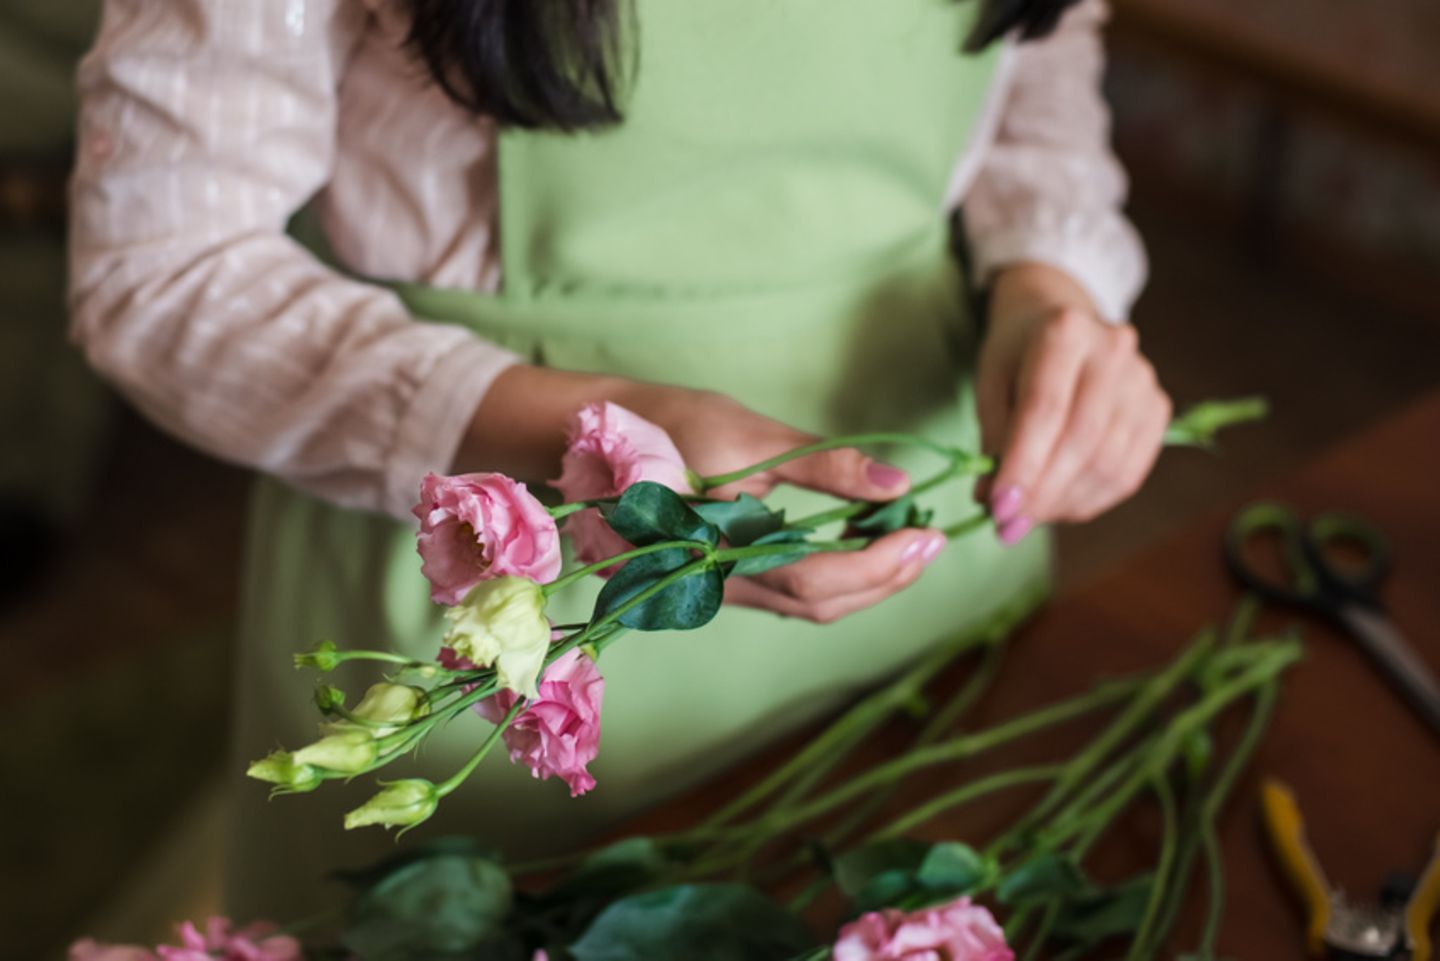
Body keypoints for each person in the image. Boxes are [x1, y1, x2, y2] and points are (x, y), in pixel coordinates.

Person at [69, 0, 1170, 920]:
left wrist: (1048, 288)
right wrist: (596, 430)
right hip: (502, 631)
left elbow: (1036, 76)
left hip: (940, 571)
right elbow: (162, 268)